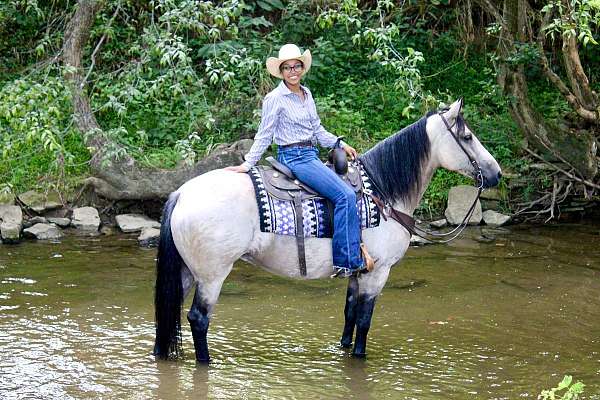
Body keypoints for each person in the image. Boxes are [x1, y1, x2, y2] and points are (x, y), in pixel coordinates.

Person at [226, 43, 372, 277]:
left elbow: (317, 130)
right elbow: (265, 134)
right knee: (344, 196)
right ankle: (346, 261)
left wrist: (339, 143)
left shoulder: (306, 94)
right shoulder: (275, 98)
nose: (293, 71)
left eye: (296, 66)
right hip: (294, 157)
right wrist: (247, 164)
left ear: (303, 68)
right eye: (287, 67)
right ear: (281, 72)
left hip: (310, 154)